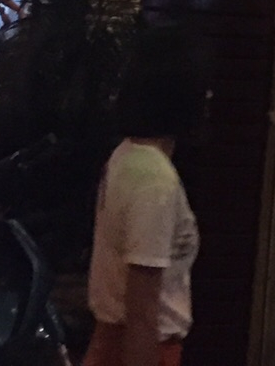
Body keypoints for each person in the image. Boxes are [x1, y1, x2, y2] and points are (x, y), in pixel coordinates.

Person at [85, 54, 204, 366]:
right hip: (139, 350)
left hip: (113, 343)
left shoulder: (127, 156)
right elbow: (141, 310)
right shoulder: (154, 179)